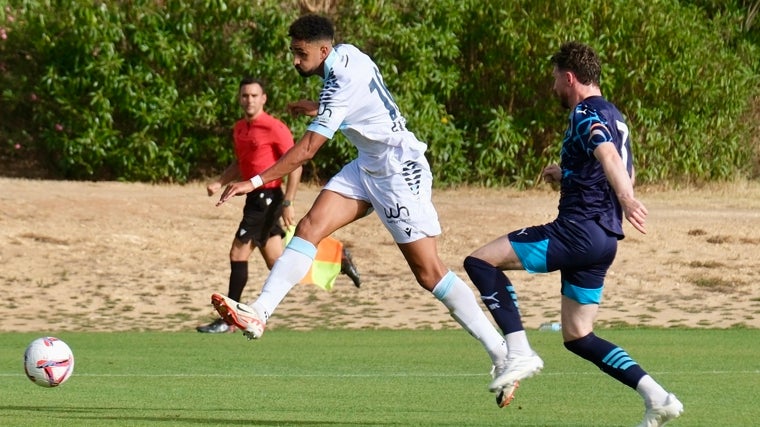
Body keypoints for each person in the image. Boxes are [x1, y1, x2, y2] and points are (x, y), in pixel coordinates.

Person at [208, 14, 513, 403]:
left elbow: (306, 150)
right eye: (293, 53)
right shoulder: (347, 54)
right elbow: (359, 101)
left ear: (323, 50)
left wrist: (251, 181)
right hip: (367, 165)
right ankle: (259, 312)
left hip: (399, 171)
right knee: (309, 227)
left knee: (429, 273)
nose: (296, 62)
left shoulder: (341, 85)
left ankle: (502, 353)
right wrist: (317, 107)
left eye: (301, 55)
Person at [462, 42, 684, 425]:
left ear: (569, 77)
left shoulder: (584, 112)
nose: (553, 89)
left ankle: (518, 350)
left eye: (554, 80)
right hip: (604, 242)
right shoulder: (617, 116)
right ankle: (657, 397)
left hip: (576, 233)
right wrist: (567, 174)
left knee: (480, 262)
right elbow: (622, 167)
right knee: (579, 335)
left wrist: (628, 200)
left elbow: (609, 159)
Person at [197, 76, 361, 334]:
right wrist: (220, 182)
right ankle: (337, 259)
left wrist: (288, 201)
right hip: (253, 198)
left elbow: (296, 163)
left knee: (237, 254)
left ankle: (228, 321)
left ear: (263, 99)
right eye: (245, 96)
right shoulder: (240, 128)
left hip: (268, 198)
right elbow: (242, 162)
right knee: (279, 263)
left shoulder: (274, 127)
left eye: (254, 95)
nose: (249, 100)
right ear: (240, 98)